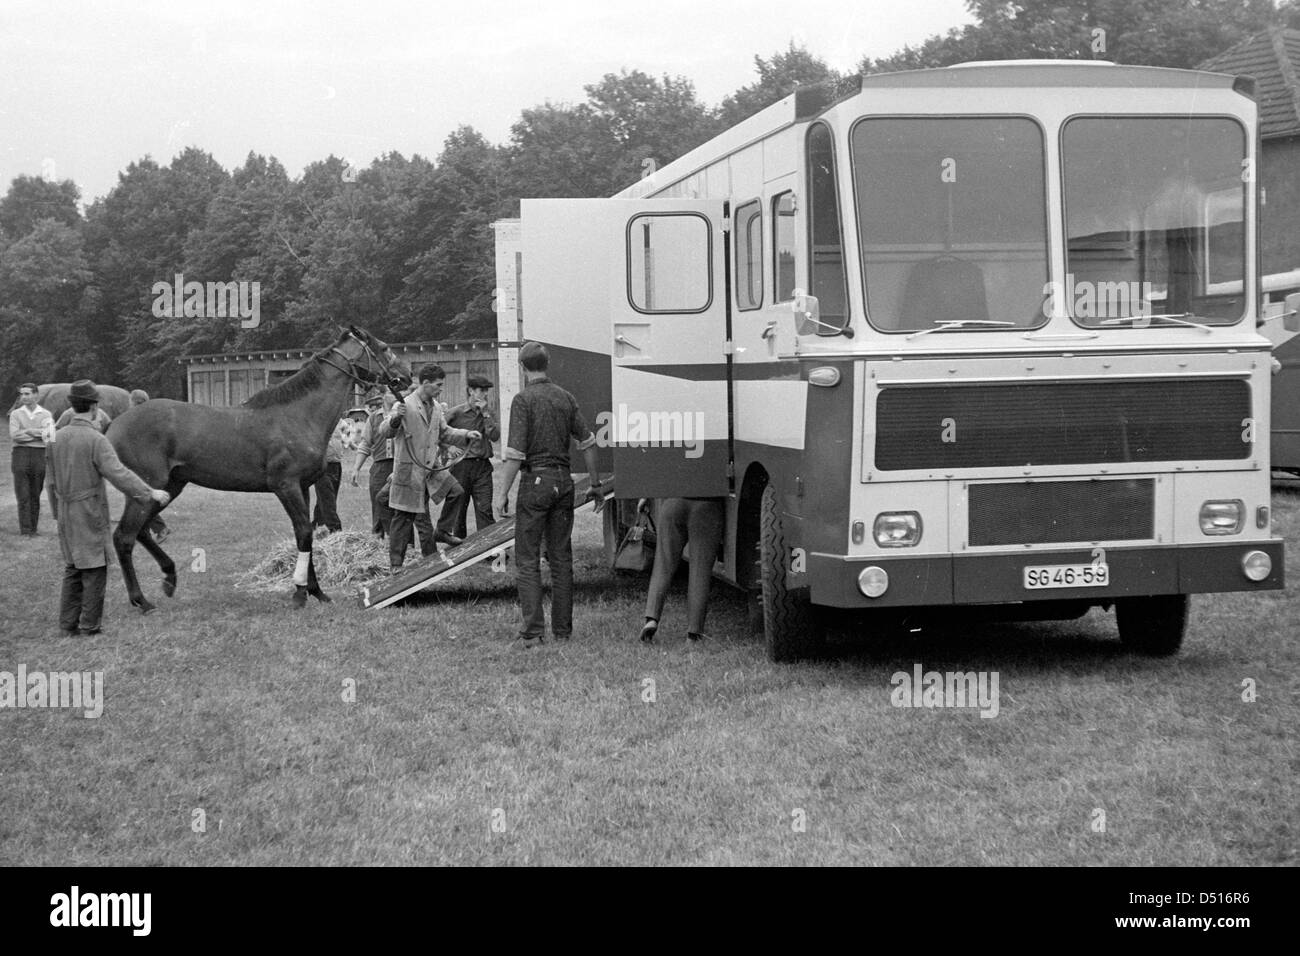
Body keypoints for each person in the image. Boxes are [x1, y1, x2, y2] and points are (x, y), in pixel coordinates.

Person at [499, 342, 605, 648]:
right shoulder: (565, 397)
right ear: (548, 363)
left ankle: (533, 631)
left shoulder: (523, 400)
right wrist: (595, 484)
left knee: (528, 558)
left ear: (522, 367)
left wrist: (502, 492)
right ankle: (562, 630)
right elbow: (587, 442)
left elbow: (516, 453)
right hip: (563, 481)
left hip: (535, 482)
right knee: (560, 558)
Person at [45, 381, 170, 636]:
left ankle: (67, 624)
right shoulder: (95, 439)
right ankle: (90, 624)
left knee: (72, 567)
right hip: (88, 508)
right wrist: (150, 492)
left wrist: (56, 508)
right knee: (94, 566)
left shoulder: (56, 437)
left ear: (72, 405)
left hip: (65, 508)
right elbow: (119, 474)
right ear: (93, 407)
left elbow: (50, 478)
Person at [374, 364, 480, 573]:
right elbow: (384, 431)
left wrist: (466, 434)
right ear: (425, 383)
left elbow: (445, 433)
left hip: (431, 468)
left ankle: (442, 531)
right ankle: (396, 564)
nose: (441, 389)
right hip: (409, 470)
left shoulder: (437, 407)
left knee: (456, 492)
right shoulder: (403, 404)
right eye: (438, 385)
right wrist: (395, 419)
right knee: (403, 517)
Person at [639, 497, 726, 643]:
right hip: (708, 504)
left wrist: (645, 496)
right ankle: (693, 634)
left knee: (663, 564)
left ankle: (651, 618)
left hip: (673, 501)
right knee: (700, 571)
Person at [437, 374, 500, 541]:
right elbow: (438, 433)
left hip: (483, 466)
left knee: (484, 508)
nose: (485, 394)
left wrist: (486, 414)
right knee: (459, 509)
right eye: (481, 390)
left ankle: (488, 548)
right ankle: (459, 547)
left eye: (486, 390)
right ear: (471, 391)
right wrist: (448, 448)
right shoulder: (456, 413)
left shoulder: (488, 412)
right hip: (461, 467)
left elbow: (495, 436)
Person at [350, 389, 398, 538]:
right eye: (391, 392)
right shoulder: (373, 418)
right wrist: (356, 468)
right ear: (384, 395)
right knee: (378, 508)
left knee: (400, 508)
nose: (396, 395)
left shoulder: (403, 415)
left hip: (399, 464)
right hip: (379, 467)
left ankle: (404, 546)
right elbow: (365, 444)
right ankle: (377, 543)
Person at [9, 382, 54, 536]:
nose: (24, 397)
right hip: (20, 454)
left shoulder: (46, 414)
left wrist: (27, 431)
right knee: (22, 494)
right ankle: (25, 529)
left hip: (39, 455)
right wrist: (38, 433)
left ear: (36, 395)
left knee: (35, 492)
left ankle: (33, 529)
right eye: (22, 394)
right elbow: (15, 436)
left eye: (27, 394)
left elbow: (50, 437)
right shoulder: (16, 414)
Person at [128, 388, 169, 543]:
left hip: (142, 463)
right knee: (139, 495)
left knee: (140, 494)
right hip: (151, 463)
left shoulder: (136, 419)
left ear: (134, 402)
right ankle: (152, 527)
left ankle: (159, 528)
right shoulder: (154, 418)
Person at [311, 417, 349, 534]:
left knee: (326, 498)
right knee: (327, 499)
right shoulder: (316, 421)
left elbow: (345, 437)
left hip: (336, 464)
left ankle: (317, 525)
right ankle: (336, 531)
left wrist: (351, 444)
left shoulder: (339, 422)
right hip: (321, 465)